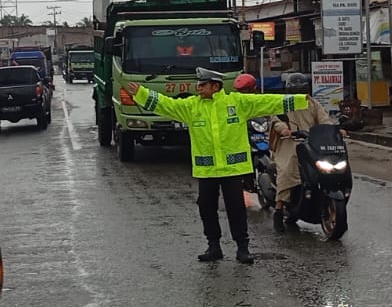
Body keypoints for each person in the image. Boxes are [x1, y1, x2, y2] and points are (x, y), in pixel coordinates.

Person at [120, 67, 311, 264]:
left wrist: (301, 100)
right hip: (207, 170)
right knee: (206, 208)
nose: (198, 88)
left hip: (233, 169)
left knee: (236, 209)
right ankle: (214, 246)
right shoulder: (192, 106)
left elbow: (269, 102)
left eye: (203, 85)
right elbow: (166, 105)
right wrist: (142, 94)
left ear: (215, 86)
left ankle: (242, 248)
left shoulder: (237, 103)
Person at [269, 73, 336, 233]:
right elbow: (275, 121)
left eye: (303, 90)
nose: (300, 94)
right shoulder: (282, 104)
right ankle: (279, 209)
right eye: (297, 91)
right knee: (287, 171)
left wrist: (333, 130)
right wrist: (284, 129)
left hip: (310, 142)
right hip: (289, 143)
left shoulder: (313, 103)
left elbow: (324, 120)